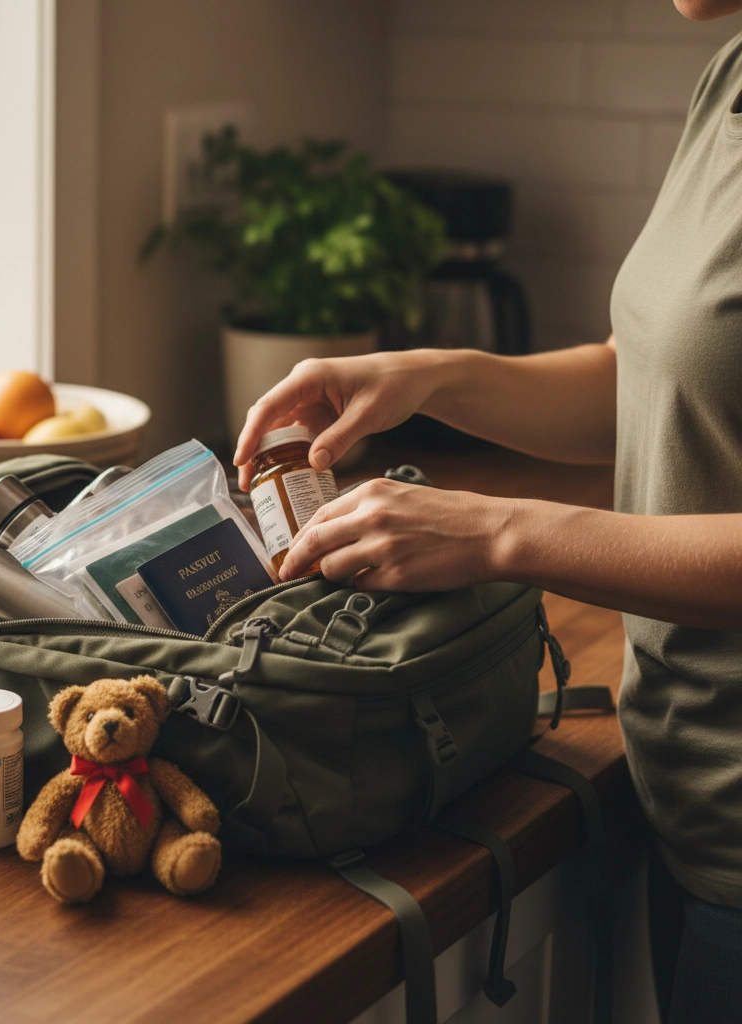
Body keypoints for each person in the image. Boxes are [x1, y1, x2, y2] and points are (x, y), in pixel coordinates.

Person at [233, 3, 742, 1022]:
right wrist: (433, 377)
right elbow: (662, 382)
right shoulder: (728, 73)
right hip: (687, 787)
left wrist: (497, 533)